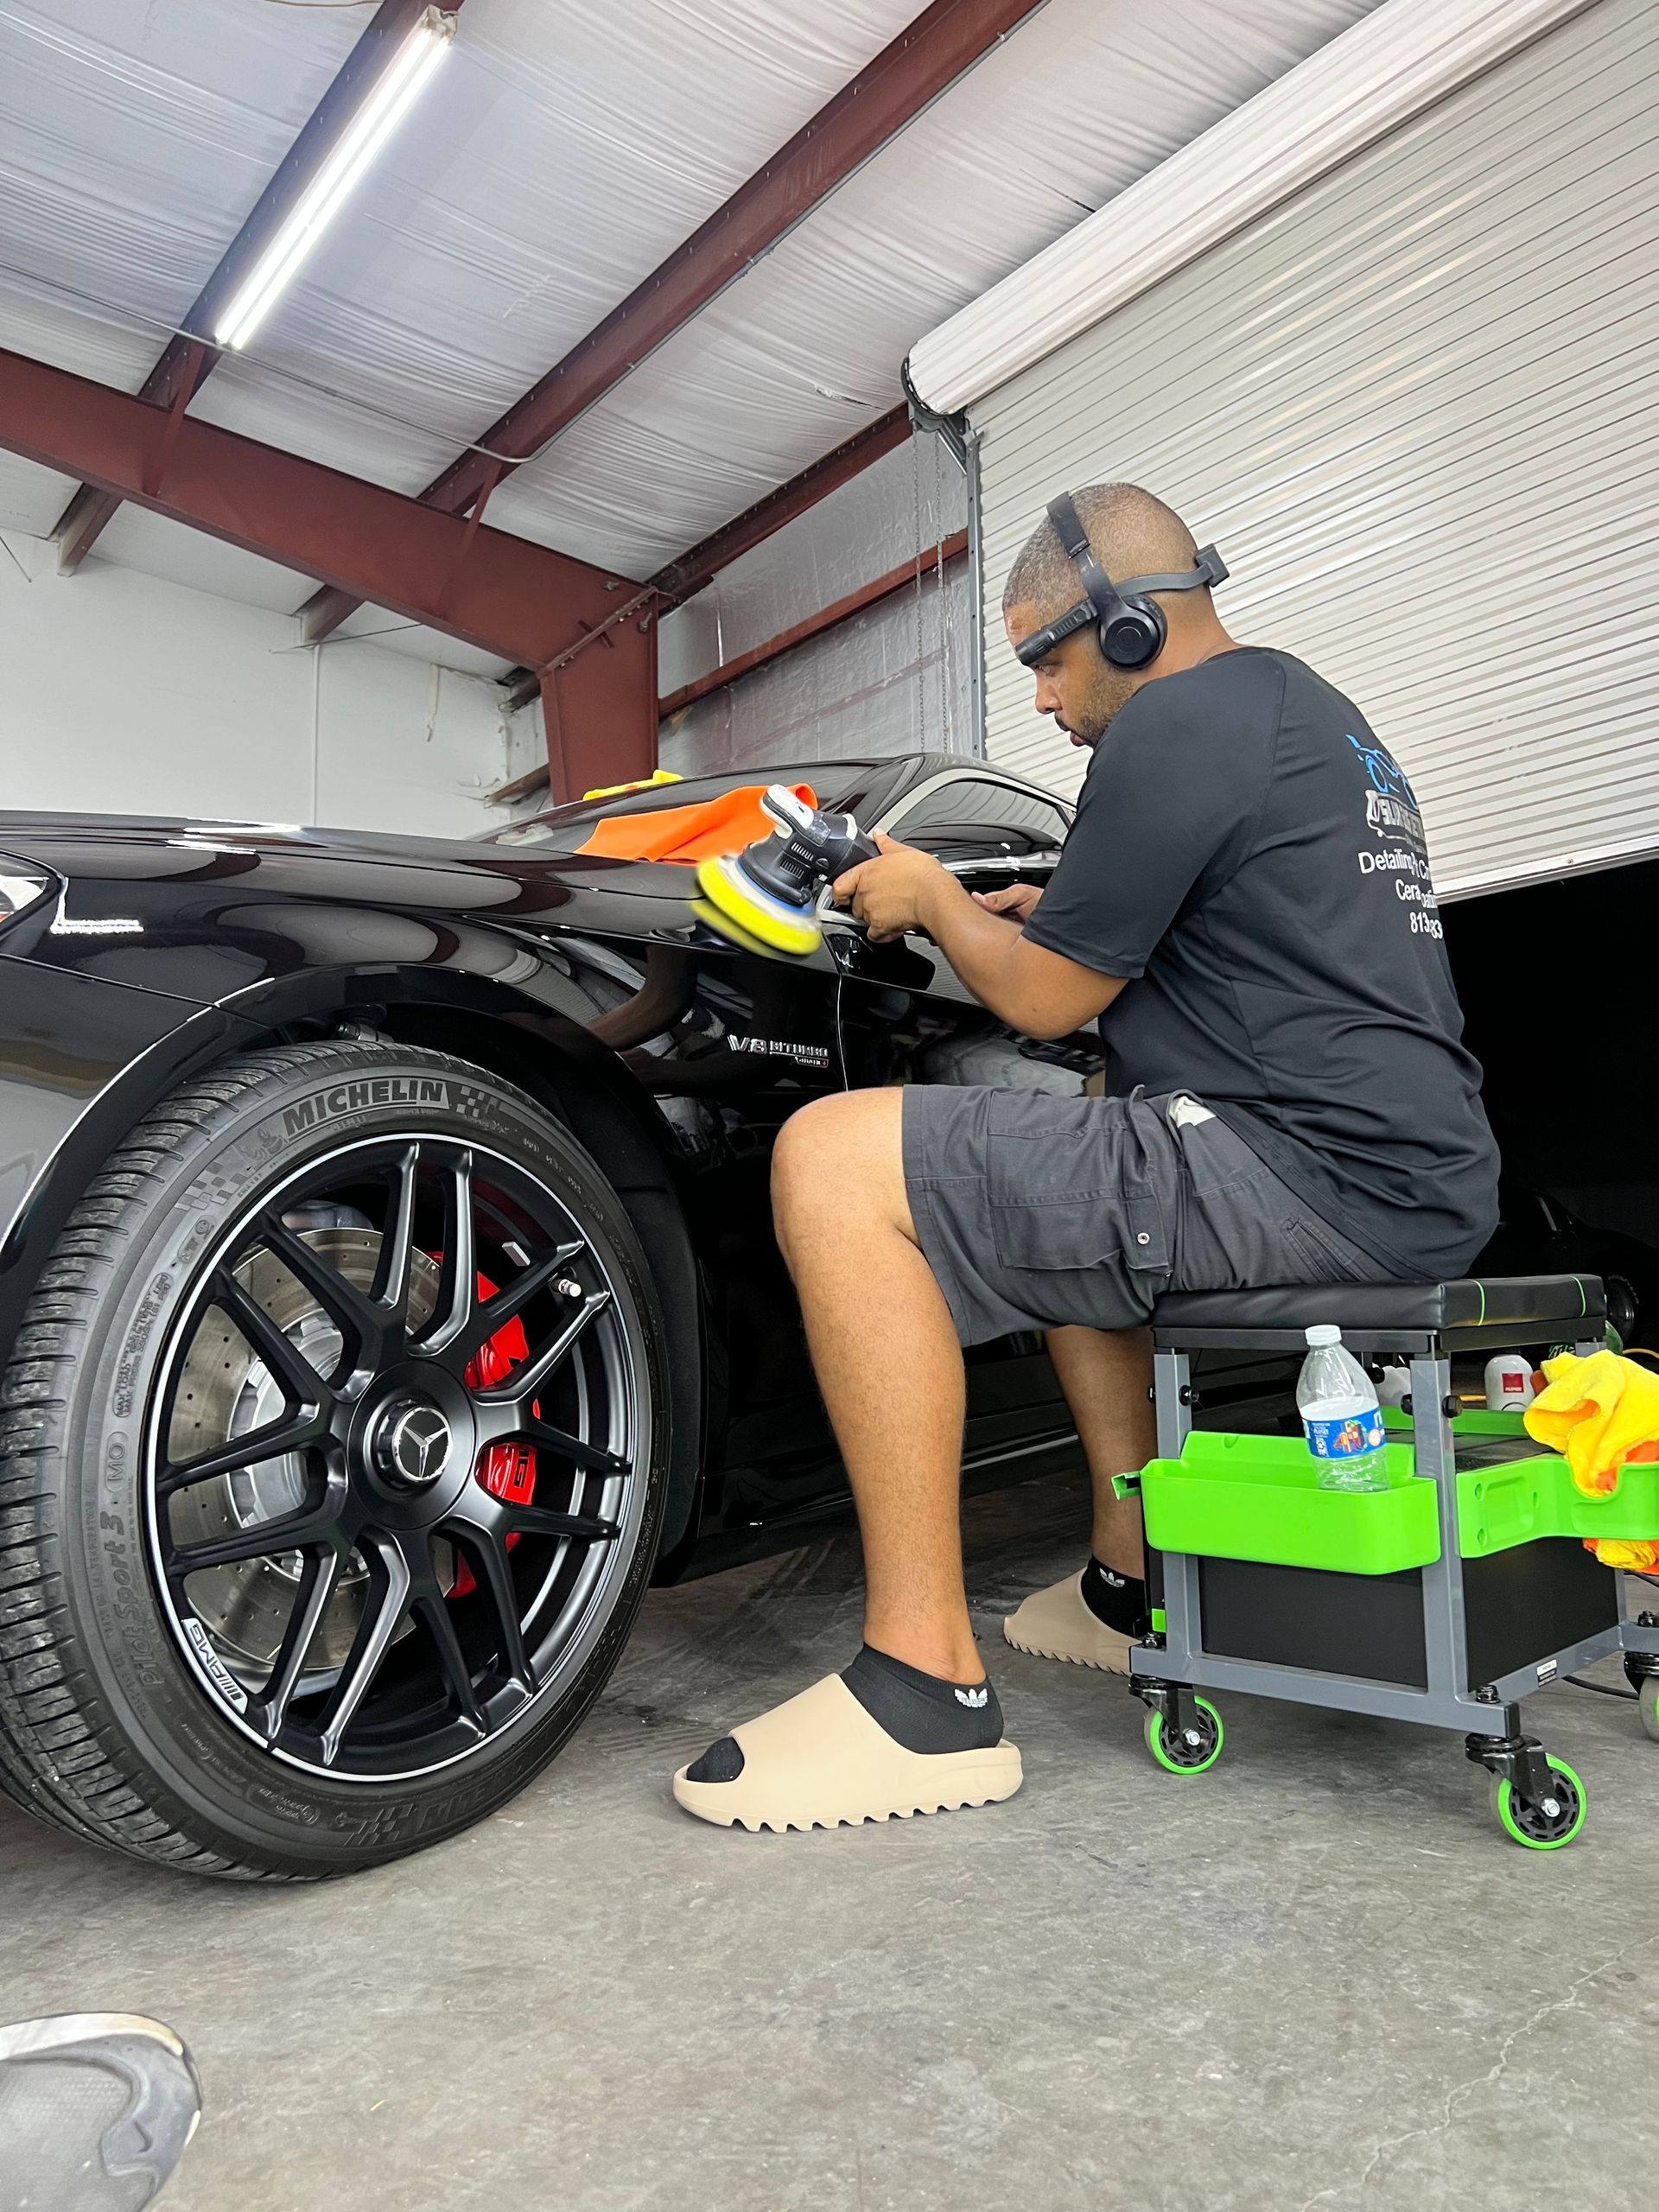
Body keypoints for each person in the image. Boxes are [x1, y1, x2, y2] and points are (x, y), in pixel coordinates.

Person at [672, 482, 1498, 1832]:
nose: (1045, 705)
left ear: (1122, 629)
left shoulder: (1171, 722)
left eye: (1045, 663)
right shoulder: (1306, 715)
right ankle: (1133, 1585)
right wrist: (1043, 908)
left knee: (831, 1157)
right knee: (1063, 1175)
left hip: (1299, 1172)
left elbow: (1049, 1001)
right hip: (1401, 1173)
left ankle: (925, 1693)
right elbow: (1231, 931)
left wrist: (935, 898)